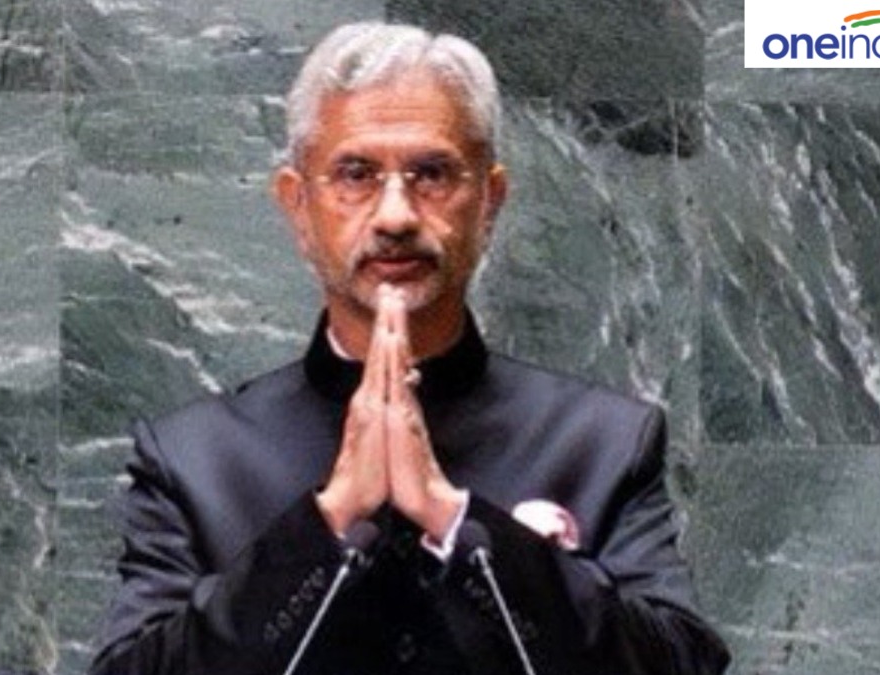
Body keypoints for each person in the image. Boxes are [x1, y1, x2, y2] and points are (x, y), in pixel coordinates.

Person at [90, 21, 731, 675]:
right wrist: (330, 517)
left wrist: (457, 520)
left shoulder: (603, 445)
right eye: (356, 174)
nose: (395, 215)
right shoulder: (193, 461)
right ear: (298, 206)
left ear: (489, 202)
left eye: (431, 174)